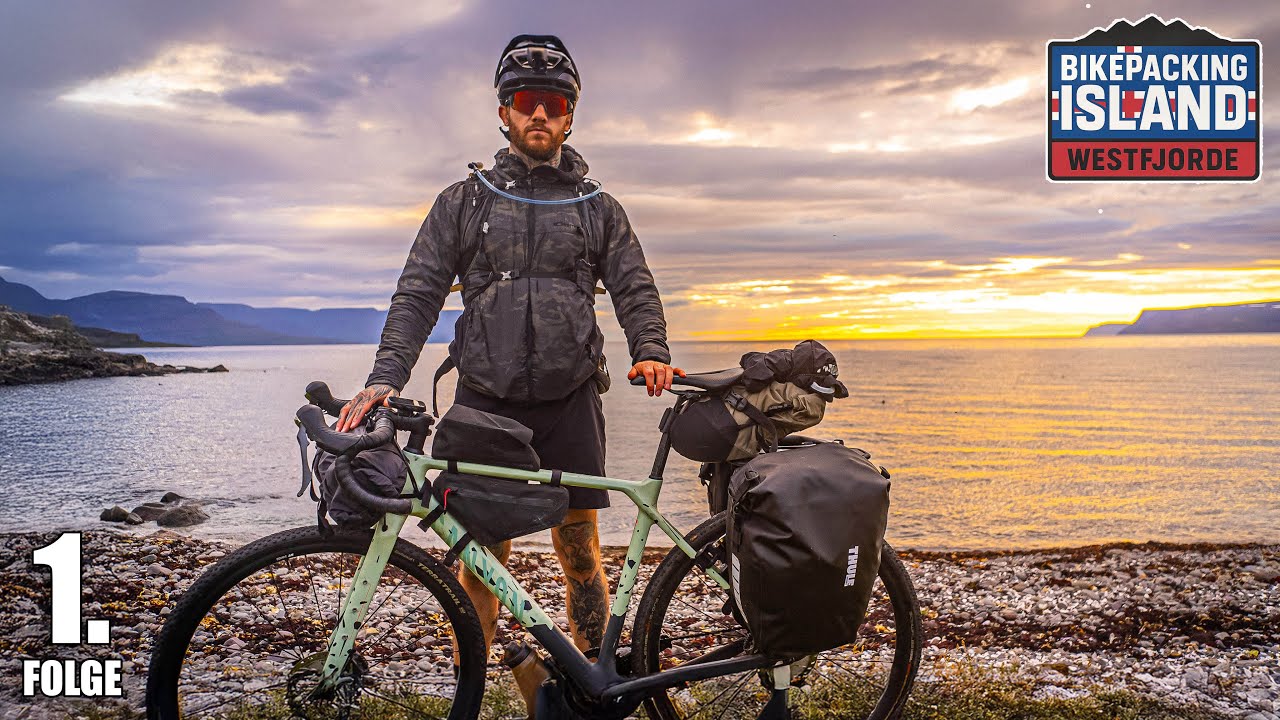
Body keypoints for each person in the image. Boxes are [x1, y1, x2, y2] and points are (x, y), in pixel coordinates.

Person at [337, 34, 683, 667]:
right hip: (484, 399)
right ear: (504, 112)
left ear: (570, 116)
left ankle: (593, 676)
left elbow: (634, 285)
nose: (540, 113)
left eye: (554, 102)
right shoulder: (463, 201)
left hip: (570, 395)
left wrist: (650, 347)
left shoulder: (597, 207)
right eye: (526, 101)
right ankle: (472, 677)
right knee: (480, 551)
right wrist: (385, 377)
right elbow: (419, 291)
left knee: (580, 549)